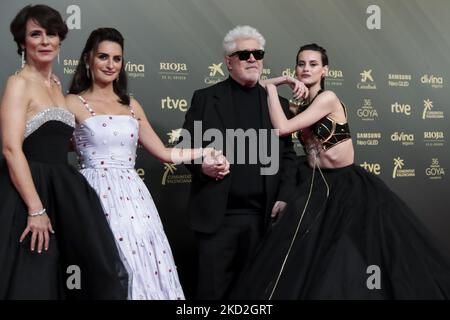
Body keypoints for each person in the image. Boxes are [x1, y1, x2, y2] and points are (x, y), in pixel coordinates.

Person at [231, 43, 450, 299]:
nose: (305, 69)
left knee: (346, 255)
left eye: (313, 64)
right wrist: (277, 81)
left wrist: (271, 87)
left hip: (346, 186)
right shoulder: (299, 106)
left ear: (325, 70)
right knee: (302, 252)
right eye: (301, 64)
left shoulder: (327, 98)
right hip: (315, 183)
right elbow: (253, 86)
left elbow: (281, 128)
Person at [66, 28, 221, 300]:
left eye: (117, 58)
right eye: (103, 56)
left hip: (134, 199)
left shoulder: (131, 105)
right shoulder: (71, 103)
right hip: (91, 194)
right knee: (102, 263)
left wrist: (205, 151)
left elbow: (164, 152)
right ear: (88, 59)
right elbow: (52, 147)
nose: (110, 64)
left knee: (142, 262)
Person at [0, 5, 128, 299]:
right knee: (33, 277)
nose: (45, 41)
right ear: (22, 42)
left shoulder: (57, 86)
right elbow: (11, 148)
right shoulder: (18, 84)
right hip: (29, 193)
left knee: (75, 275)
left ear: (60, 40)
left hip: (63, 190)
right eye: (36, 34)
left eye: (52, 33)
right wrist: (36, 209)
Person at [182, 25, 298, 299]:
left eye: (257, 53)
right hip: (217, 219)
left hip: (263, 220)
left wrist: (285, 196)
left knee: (256, 296)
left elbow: (289, 157)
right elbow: (186, 148)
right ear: (228, 62)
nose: (252, 59)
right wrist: (203, 166)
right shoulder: (206, 99)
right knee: (212, 295)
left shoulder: (276, 104)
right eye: (244, 54)